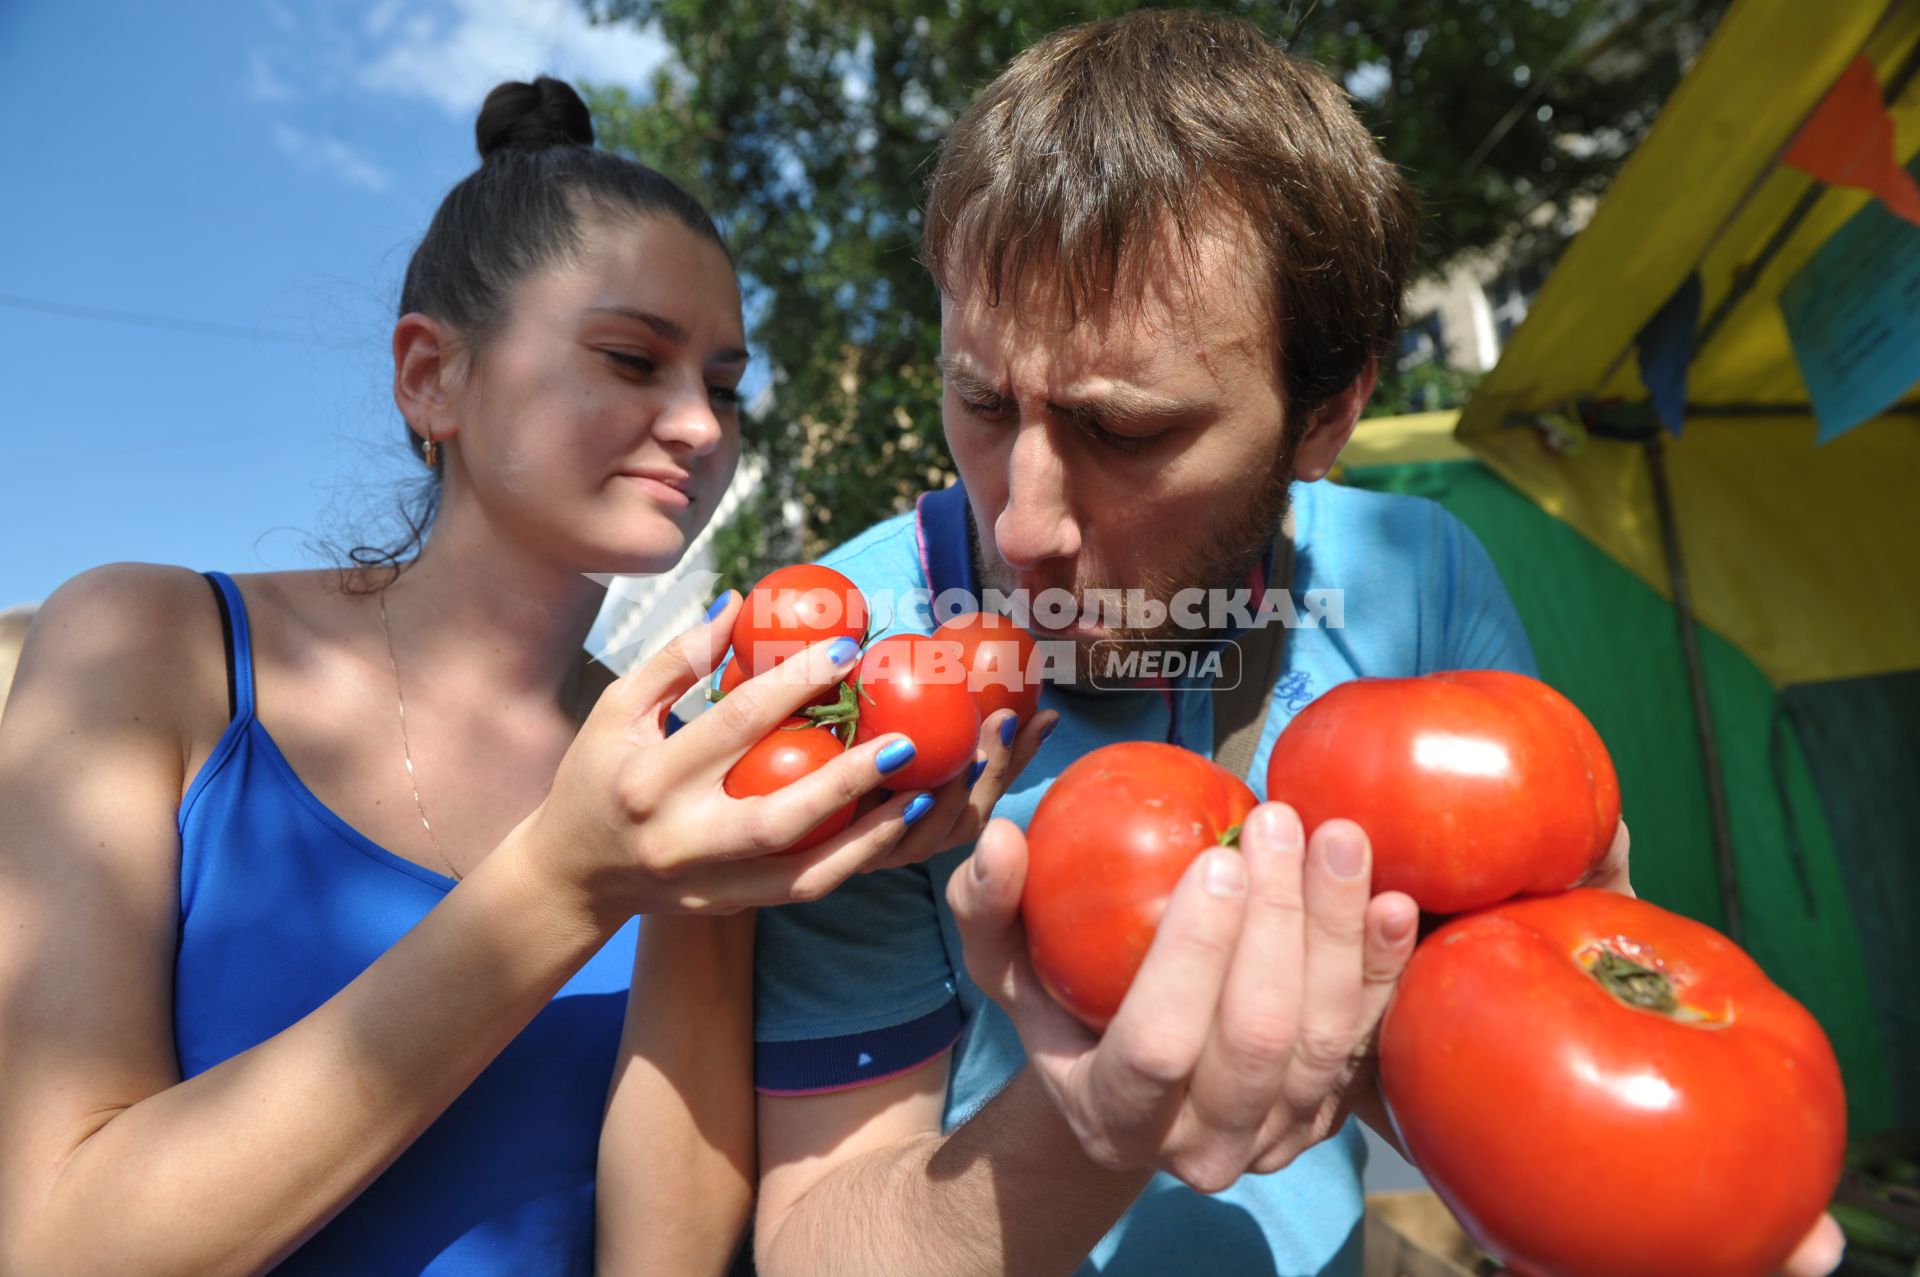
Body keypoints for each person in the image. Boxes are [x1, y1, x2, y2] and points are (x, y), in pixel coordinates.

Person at [743, 12, 1845, 1277]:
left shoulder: (1419, 588)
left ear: (1328, 414)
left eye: (1128, 430)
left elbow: (1507, 1059)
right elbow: (816, 1238)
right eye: (980, 401)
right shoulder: (840, 681)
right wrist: (1088, 1126)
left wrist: (1648, 1188)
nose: (1026, 521)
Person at [0, 77, 1030, 1277]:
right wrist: (566, 881)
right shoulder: (149, 644)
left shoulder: (690, 754)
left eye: (725, 386)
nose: (701, 426)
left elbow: (659, 1258)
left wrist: (723, 891)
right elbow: (59, 1242)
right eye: (632, 359)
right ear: (431, 375)